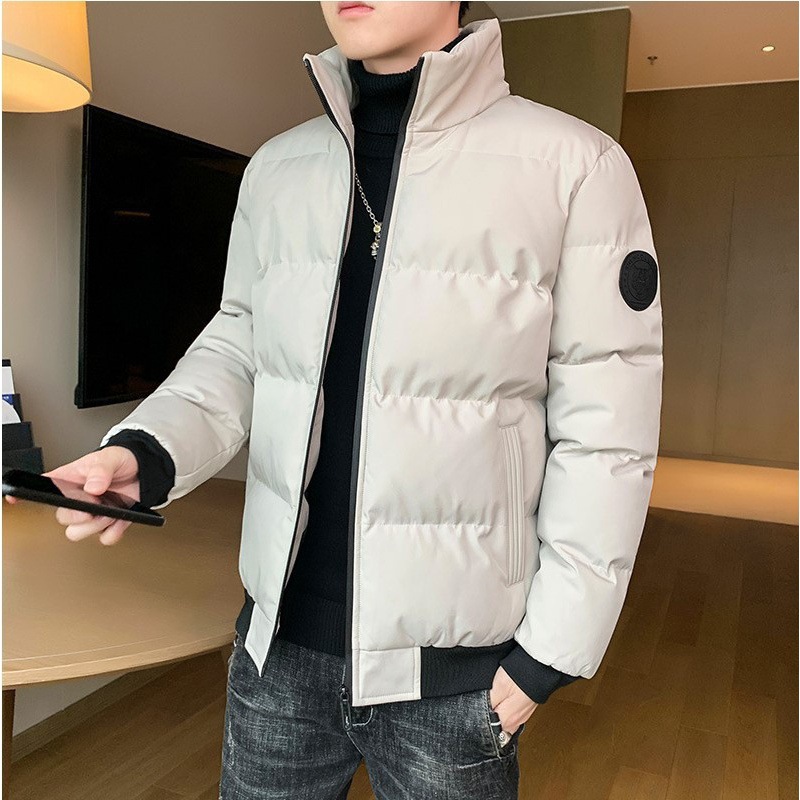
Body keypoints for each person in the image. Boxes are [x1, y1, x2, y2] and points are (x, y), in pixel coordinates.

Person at [16, 2, 663, 797]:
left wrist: (547, 657)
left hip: (455, 683)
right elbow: (237, 348)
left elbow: (608, 435)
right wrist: (145, 452)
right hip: (277, 656)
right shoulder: (277, 169)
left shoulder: (577, 167)